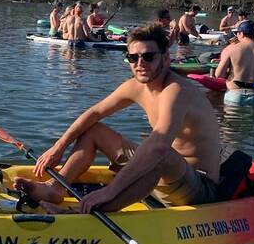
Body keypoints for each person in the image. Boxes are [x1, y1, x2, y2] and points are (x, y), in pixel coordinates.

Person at [13, 24, 222, 212]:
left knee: (160, 152)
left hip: (196, 188)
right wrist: (58, 148)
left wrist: (110, 190)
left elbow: (159, 147)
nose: (140, 63)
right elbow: (93, 113)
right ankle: (55, 188)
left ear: (165, 58)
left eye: (148, 57)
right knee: (94, 129)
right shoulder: (137, 86)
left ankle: (86, 212)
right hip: (161, 177)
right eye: (133, 58)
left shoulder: (176, 90)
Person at [215, 21, 254, 106]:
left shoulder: (231, 49)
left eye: (237, 33)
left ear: (241, 33)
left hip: (234, 94)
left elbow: (218, 75)